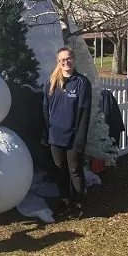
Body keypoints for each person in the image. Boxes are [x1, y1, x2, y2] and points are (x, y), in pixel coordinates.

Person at [42, 47, 92, 220]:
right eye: (62, 60)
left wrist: (79, 140)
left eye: (69, 58)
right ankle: (64, 202)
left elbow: (84, 114)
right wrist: (47, 133)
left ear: (74, 59)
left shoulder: (82, 83)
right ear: (58, 62)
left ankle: (77, 205)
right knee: (60, 171)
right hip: (55, 137)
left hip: (73, 138)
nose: (66, 62)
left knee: (75, 170)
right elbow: (45, 109)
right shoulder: (51, 82)